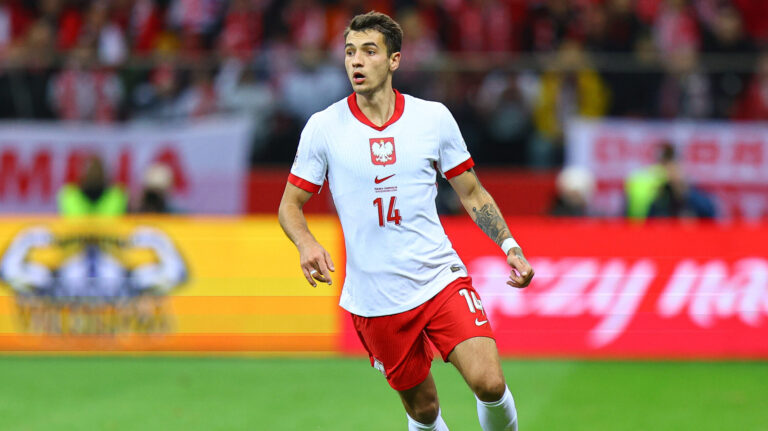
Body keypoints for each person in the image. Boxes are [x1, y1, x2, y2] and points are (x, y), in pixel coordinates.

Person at [278, 11, 534, 431]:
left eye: (369, 51)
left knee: (489, 382)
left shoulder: (432, 118)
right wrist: (306, 243)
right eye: (349, 52)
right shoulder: (323, 128)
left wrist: (510, 246)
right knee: (424, 410)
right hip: (375, 296)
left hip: (438, 275)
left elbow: (470, 191)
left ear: (394, 60)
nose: (356, 61)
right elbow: (290, 205)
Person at [58, 155, 127, 217]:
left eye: (96, 169)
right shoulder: (69, 195)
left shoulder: (117, 196)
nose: (93, 173)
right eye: (90, 169)